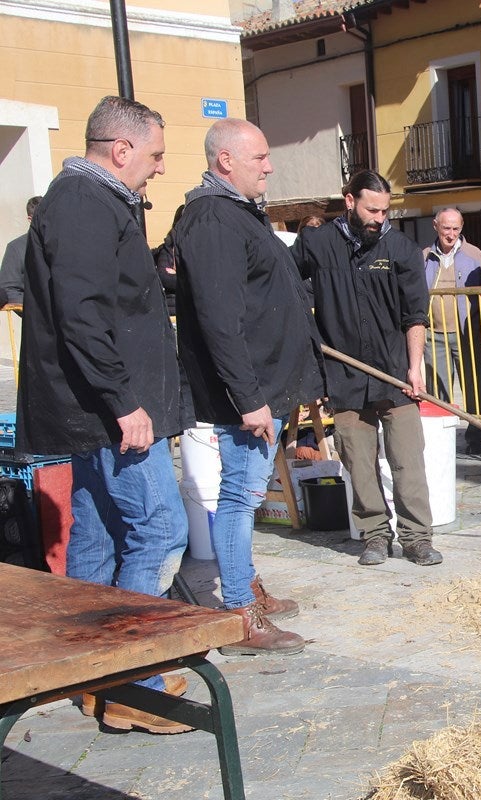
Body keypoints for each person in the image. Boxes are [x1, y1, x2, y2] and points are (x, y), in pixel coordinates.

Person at [17, 96, 192, 735]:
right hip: (107, 408)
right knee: (157, 530)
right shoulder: (86, 202)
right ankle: (130, 684)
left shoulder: (83, 200)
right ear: (120, 150)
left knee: (94, 533)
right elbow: (83, 313)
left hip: (95, 406)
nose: (157, 167)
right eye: (154, 154)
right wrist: (125, 401)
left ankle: (93, 675)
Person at [174, 118, 324, 655]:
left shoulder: (239, 214)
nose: (270, 165)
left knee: (246, 496)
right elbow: (220, 319)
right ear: (226, 160)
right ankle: (240, 612)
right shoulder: (211, 218)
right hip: (248, 395)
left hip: (267, 386)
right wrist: (249, 399)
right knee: (239, 497)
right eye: (259, 156)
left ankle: (246, 584)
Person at [293, 170, 440, 566]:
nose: (379, 217)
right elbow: (286, 288)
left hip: (394, 372)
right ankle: (375, 535)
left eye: (384, 210)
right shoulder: (317, 244)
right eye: (372, 209)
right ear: (349, 201)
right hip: (344, 374)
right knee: (358, 460)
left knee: (408, 460)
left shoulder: (402, 248)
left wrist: (415, 368)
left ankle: (417, 538)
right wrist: (312, 349)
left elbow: (414, 315)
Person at [423, 207, 481, 456]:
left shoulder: (475, 255)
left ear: (461, 228)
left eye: (456, 228)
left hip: (467, 334)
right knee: (438, 391)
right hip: (435, 335)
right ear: (435, 226)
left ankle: (477, 439)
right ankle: (442, 439)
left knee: (475, 388)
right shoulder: (425, 256)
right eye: (446, 228)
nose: (451, 234)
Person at [0, 195, 41, 308]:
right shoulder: (16, 248)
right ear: (30, 219)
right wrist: (37, 308)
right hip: (38, 320)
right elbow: (8, 289)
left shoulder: (64, 243)